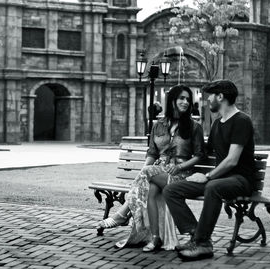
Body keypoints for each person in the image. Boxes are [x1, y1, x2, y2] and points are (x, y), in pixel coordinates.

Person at [97, 85, 205, 251]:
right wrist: (145, 173)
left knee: (146, 172)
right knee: (151, 192)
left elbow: (199, 155)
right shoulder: (158, 125)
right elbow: (152, 152)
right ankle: (155, 238)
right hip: (157, 172)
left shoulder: (194, 126)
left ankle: (122, 214)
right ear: (172, 101)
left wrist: (180, 166)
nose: (185, 102)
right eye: (181, 98)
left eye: (188, 99)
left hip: (180, 174)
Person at [163, 80, 255, 261]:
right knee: (171, 190)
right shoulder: (216, 123)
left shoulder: (242, 121)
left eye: (210, 96)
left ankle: (203, 243)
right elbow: (205, 152)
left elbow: (231, 160)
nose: (207, 100)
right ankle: (196, 234)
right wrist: (179, 138)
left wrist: (207, 176)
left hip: (241, 180)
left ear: (220, 97)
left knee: (213, 187)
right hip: (218, 179)